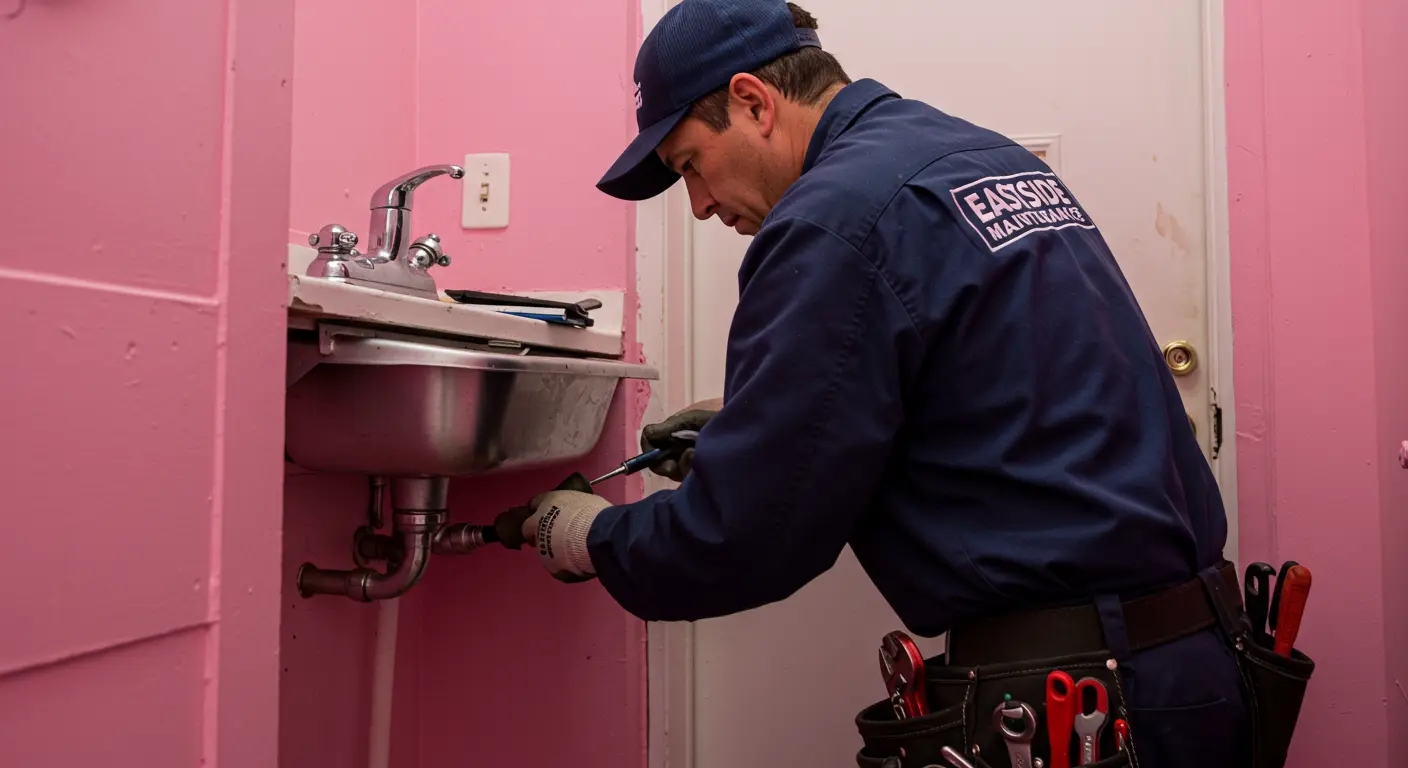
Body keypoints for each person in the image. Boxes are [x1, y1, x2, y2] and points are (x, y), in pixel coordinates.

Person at [497, 1, 1252, 766]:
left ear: (754, 101)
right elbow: (1000, 381)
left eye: (690, 163)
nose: (696, 205)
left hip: (1082, 698)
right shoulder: (982, 158)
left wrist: (590, 533)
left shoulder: (830, 221)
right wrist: (757, 421)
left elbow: (745, 540)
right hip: (1201, 662)